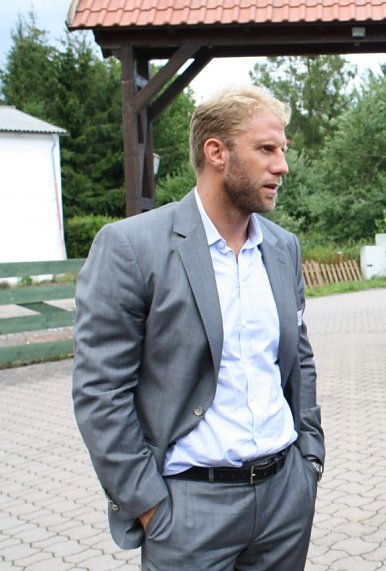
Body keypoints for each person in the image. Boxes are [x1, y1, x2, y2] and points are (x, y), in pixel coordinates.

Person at [72, 85, 324, 570]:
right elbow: (100, 391)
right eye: (267, 149)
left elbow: (299, 359)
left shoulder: (282, 247)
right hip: (186, 509)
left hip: (284, 500)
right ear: (217, 152)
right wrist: (149, 505)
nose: (282, 166)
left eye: (283, 151)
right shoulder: (131, 247)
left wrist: (308, 459)